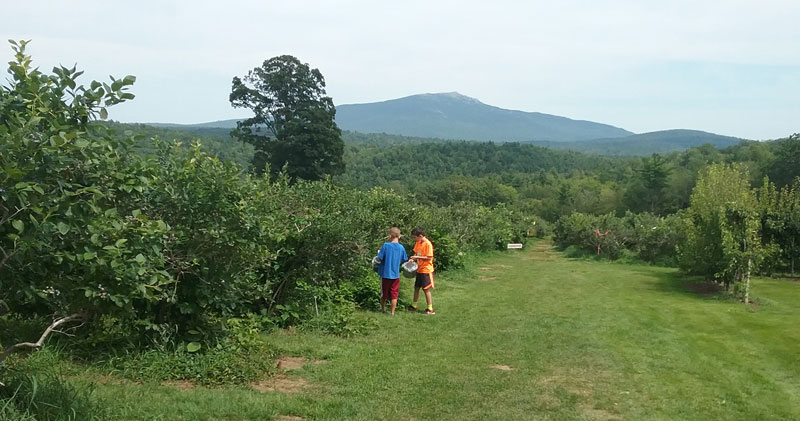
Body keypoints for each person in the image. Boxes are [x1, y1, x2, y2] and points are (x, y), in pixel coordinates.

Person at [376, 227, 409, 315]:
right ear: (399, 236)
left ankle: (383, 309)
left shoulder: (386, 245)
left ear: (390, 236)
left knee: (384, 294)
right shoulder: (401, 247)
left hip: (385, 274)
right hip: (395, 275)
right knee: (394, 294)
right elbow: (404, 258)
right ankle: (392, 312)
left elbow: (379, 258)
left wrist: (379, 252)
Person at [408, 227, 435, 315]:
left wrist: (417, 257)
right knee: (416, 288)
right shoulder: (418, 243)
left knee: (426, 289)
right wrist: (413, 259)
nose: (414, 239)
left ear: (420, 236)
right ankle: (414, 305)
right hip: (419, 269)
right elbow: (416, 253)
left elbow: (429, 257)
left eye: (415, 237)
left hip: (426, 270)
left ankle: (430, 308)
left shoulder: (428, 244)